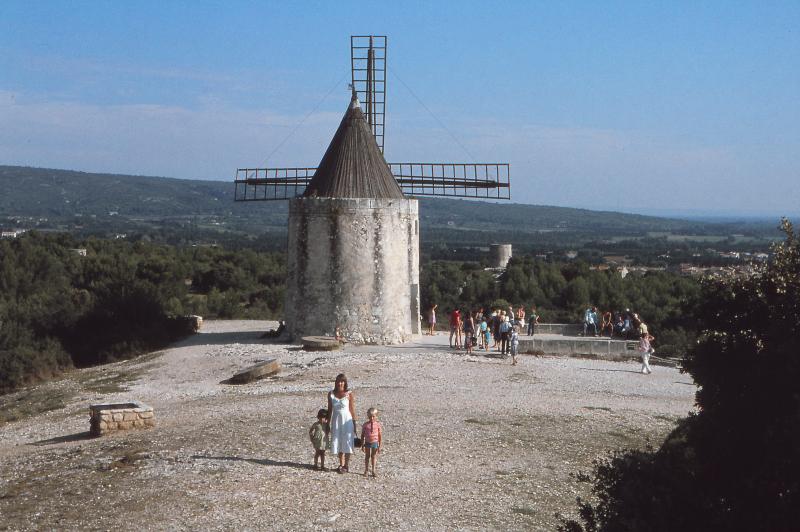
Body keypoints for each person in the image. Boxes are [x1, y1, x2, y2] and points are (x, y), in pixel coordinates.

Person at [327, 373, 358, 473]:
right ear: (336, 382)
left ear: (345, 383)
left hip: (347, 420)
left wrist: (354, 422)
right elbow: (330, 410)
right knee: (338, 440)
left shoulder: (349, 394)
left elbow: (352, 409)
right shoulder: (331, 394)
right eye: (339, 381)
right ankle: (341, 464)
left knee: (347, 441)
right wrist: (327, 423)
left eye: (342, 381)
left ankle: (346, 465)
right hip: (336, 421)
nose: (340, 383)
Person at [361, 407, 383, 478]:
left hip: (375, 442)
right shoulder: (365, 425)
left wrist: (380, 446)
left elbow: (380, 436)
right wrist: (362, 445)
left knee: (373, 456)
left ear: (376, 416)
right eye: (370, 417)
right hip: (367, 442)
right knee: (367, 456)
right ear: (368, 416)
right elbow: (362, 435)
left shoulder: (378, 424)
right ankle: (366, 470)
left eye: (373, 416)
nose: (372, 418)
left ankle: (373, 470)